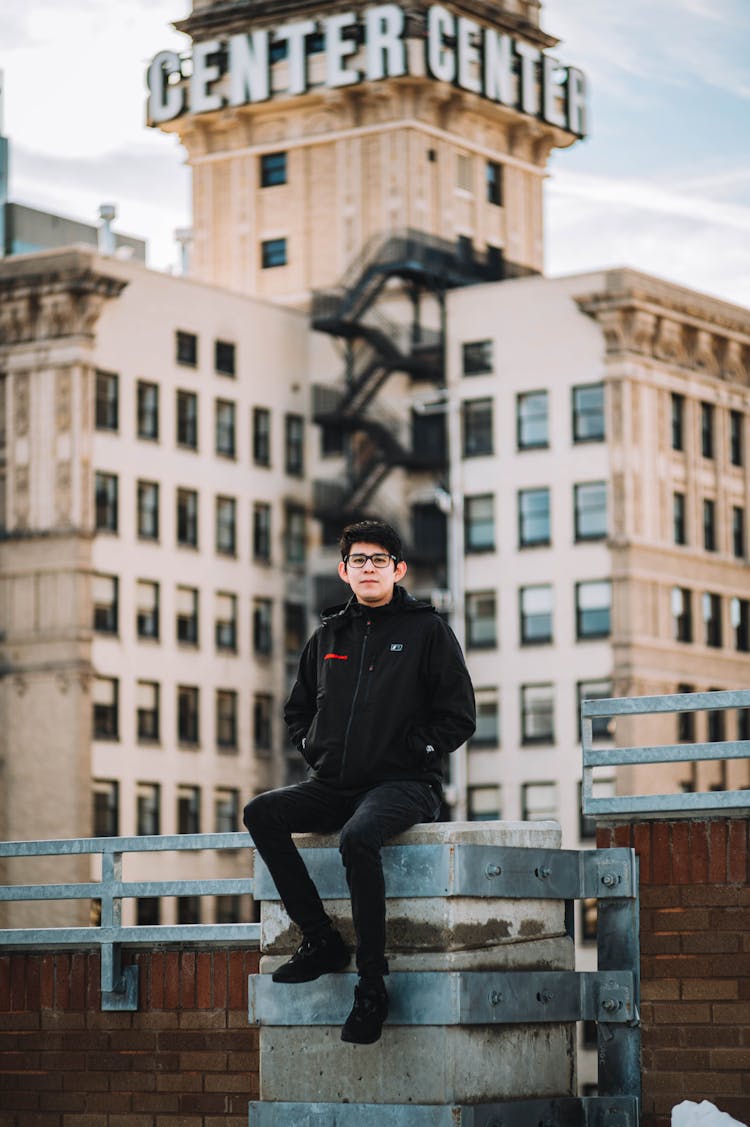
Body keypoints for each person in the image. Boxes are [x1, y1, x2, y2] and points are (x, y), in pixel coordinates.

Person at [243, 518, 475, 1045]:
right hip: (334, 783)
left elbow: (459, 717)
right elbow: (297, 710)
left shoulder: (426, 631)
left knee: (359, 836)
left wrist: (414, 752)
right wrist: (313, 749)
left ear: (399, 569)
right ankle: (320, 939)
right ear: (344, 571)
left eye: (379, 560)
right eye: (359, 561)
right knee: (262, 813)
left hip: (404, 785)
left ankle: (372, 986)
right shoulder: (328, 635)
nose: (369, 569)